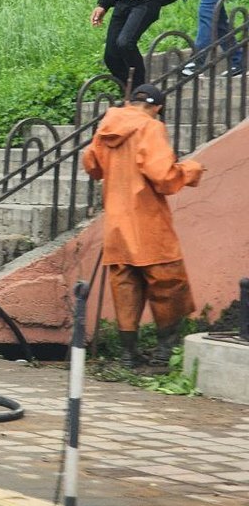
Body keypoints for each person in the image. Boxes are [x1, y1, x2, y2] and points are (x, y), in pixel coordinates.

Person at [81, 83, 204, 371]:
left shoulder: (108, 125)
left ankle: (128, 356)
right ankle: (164, 354)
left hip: (117, 225)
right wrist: (190, 170)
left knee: (126, 288)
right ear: (158, 107)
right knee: (170, 285)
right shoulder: (151, 127)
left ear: (131, 101)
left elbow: (92, 165)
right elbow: (163, 176)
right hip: (148, 224)